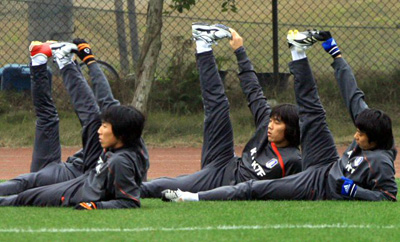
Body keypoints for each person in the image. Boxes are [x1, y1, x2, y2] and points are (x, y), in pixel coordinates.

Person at [162, 29, 397, 202]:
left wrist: (357, 192)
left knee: (253, 188)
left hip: (319, 185)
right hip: (325, 164)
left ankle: (191, 198)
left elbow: (388, 197)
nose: (355, 137)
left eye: (361, 134)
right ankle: (298, 51)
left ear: (374, 141)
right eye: (357, 130)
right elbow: (353, 95)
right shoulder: (369, 121)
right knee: (313, 113)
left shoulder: (381, 162)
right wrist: (336, 56)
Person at [140, 23, 302, 199]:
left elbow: (293, 189)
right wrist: (240, 51)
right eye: (271, 120)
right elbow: (254, 91)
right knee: (219, 106)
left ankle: (125, 190)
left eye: (277, 123)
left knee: (168, 186)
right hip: (225, 161)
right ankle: (203, 45)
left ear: (291, 129)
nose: (270, 125)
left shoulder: (293, 160)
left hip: (224, 183)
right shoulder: (265, 125)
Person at [0, 41, 148, 209]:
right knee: (47, 119)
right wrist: (89, 61)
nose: (101, 129)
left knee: (89, 117)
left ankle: (64, 62)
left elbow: (101, 104)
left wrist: (89, 61)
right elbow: (106, 100)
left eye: (105, 126)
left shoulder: (123, 156)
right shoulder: (119, 143)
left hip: (78, 176)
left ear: (120, 133)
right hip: (71, 173)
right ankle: (39, 62)